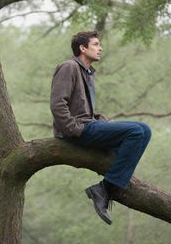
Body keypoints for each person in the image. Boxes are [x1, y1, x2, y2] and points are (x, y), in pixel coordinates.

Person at [50, 31, 151, 225]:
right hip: (76, 131)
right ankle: (106, 188)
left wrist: (99, 121)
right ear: (82, 48)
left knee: (145, 130)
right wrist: (74, 129)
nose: (100, 48)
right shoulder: (69, 67)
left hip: (88, 125)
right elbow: (57, 104)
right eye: (96, 44)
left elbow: (83, 110)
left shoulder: (87, 73)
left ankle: (109, 184)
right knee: (136, 131)